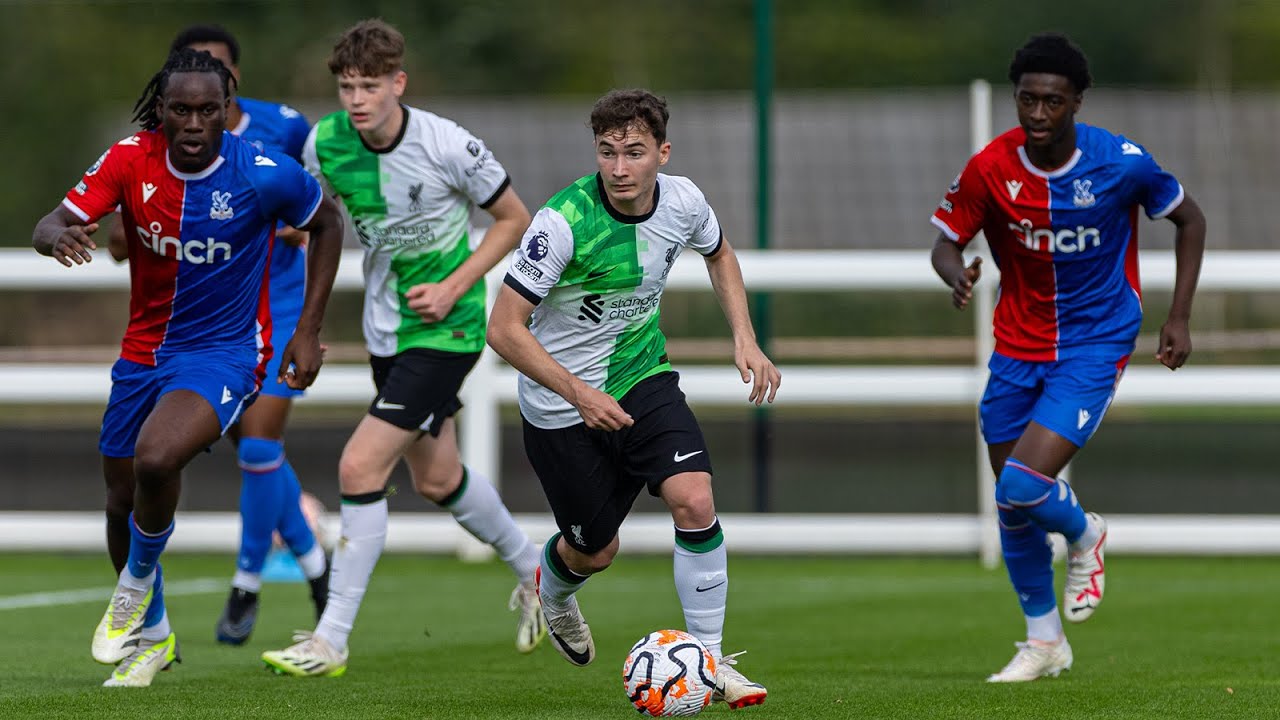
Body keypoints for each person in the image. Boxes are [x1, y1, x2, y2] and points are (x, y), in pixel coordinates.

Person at [31, 47, 344, 687]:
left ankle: (134, 587)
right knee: (121, 498)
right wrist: (57, 235)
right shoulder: (128, 160)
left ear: (228, 112)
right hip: (142, 353)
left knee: (155, 457)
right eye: (182, 110)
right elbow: (52, 219)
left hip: (228, 352)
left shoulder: (261, 171)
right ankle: (154, 635)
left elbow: (328, 222)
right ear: (162, 113)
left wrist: (307, 330)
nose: (196, 122)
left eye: (209, 109)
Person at [260, 19, 543, 677]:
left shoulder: (448, 145)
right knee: (437, 478)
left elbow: (514, 220)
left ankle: (330, 640)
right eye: (346, 86)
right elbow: (314, 218)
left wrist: (454, 285)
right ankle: (536, 569)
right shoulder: (326, 143)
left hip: (449, 331)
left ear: (398, 83)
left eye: (369, 86)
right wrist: (288, 242)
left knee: (360, 467)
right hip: (387, 330)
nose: (356, 99)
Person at [486, 89, 779, 710]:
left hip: (641, 376)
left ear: (662, 154)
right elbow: (503, 327)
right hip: (560, 407)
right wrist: (576, 390)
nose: (619, 168)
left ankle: (710, 659)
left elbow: (719, 253)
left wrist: (745, 341)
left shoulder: (684, 201)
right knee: (595, 550)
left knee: (694, 498)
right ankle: (555, 594)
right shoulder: (564, 221)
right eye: (607, 152)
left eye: (635, 153)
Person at [929, 33, 1206, 682]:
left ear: (1076, 102)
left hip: (1095, 339)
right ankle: (1044, 642)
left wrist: (1180, 314)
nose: (1037, 114)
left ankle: (1086, 535)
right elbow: (945, 240)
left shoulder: (1122, 163)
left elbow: (1189, 220)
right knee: (1011, 501)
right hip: (1017, 344)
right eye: (1026, 100)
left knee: (1025, 485)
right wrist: (956, 272)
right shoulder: (990, 168)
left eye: (1052, 101)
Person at [105, 23, 331, 648]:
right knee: (194, 458)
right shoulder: (153, 146)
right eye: (187, 88)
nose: (199, 109)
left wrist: (308, 312)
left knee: (257, 445)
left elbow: (324, 203)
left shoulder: (281, 128)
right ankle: (316, 564)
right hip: (180, 326)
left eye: (216, 80)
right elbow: (122, 231)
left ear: (233, 85)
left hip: (271, 306)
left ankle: (246, 585)